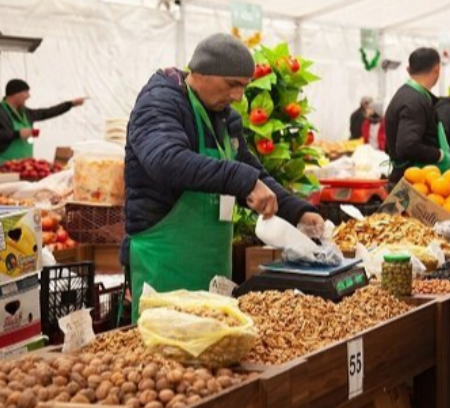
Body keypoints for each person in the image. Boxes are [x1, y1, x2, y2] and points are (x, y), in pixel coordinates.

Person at [123, 33, 324, 319]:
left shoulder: (225, 117)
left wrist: (298, 212)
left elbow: (251, 170)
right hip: (164, 262)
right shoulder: (160, 102)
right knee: (165, 354)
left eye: (243, 87)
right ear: (202, 72)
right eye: (232, 85)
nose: (238, 96)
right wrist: (242, 179)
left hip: (212, 263)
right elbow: (166, 160)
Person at [384, 47, 450, 185]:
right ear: (437, 69)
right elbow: (407, 146)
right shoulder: (414, 100)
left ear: (408, 70)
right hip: (413, 184)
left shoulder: (407, 95)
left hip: (409, 179)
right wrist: (439, 155)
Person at [0, 79, 85, 166]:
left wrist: (70, 104)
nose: (29, 96)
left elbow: (47, 112)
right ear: (15, 94)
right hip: (5, 165)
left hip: (26, 164)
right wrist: (17, 134)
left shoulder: (25, 112)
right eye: (25, 92)